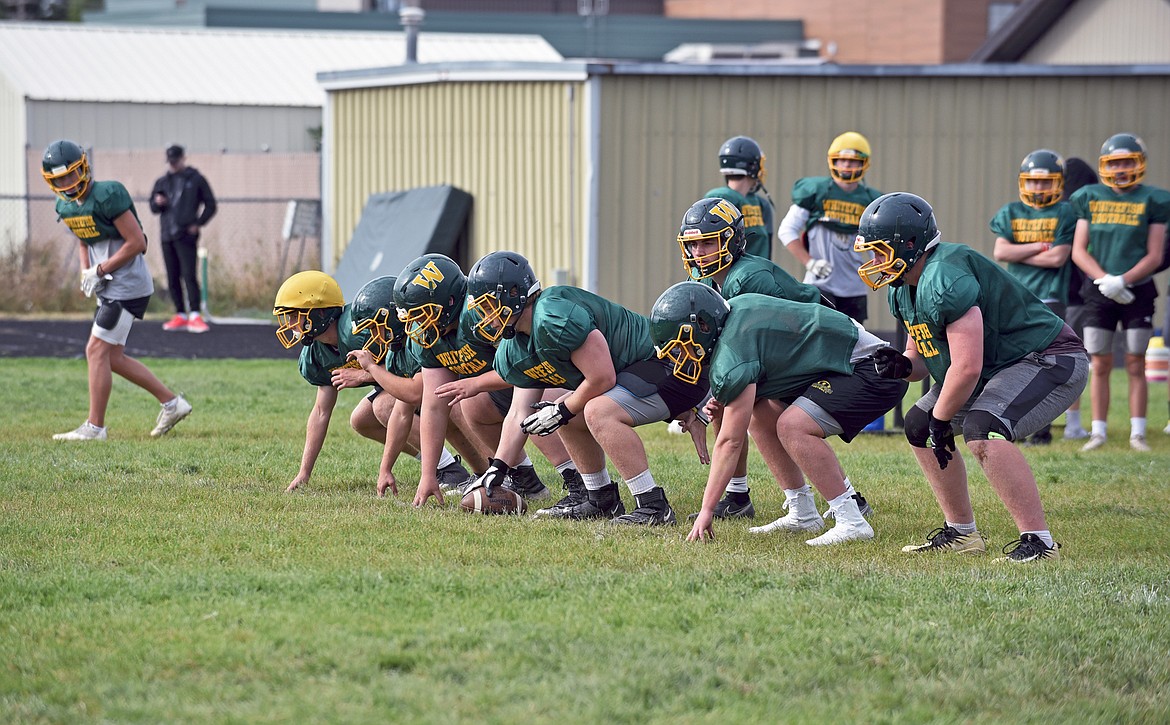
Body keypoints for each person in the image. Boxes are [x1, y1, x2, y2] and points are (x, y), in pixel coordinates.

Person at [855, 192, 1089, 562]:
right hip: (999, 366)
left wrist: (943, 418)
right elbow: (923, 357)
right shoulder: (903, 288)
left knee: (984, 427)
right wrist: (901, 365)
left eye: (880, 250)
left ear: (910, 245)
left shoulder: (945, 276)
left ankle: (1040, 542)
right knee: (917, 424)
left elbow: (966, 367)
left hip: (1047, 358)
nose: (874, 261)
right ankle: (962, 533)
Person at [459, 251, 710, 525]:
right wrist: (498, 467)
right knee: (564, 408)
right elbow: (518, 412)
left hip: (671, 366)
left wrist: (562, 409)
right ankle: (600, 498)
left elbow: (602, 378)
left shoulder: (553, 315)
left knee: (592, 410)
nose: (486, 318)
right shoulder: (516, 344)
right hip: (637, 374)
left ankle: (653, 505)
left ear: (513, 295)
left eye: (487, 307)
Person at [649, 282, 906, 545]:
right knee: (760, 415)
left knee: (793, 426)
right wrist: (728, 394)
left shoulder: (733, 350)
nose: (683, 357)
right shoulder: (736, 311)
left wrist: (706, 510)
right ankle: (803, 512)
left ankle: (851, 519)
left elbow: (729, 442)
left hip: (875, 370)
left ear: (704, 327)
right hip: (845, 363)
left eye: (683, 347)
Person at [676, 196, 873, 526]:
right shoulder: (707, 280)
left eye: (707, 243)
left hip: (813, 348)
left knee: (780, 420)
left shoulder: (748, 279)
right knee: (740, 409)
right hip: (781, 350)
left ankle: (848, 498)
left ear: (732, 240)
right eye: (693, 244)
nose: (698, 253)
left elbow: (776, 333)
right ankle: (748, 498)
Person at [394, 253, 576, 508]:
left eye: (424, 314)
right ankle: (523, 478)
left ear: (450, 301)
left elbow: (528, 366)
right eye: (413, 317)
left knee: (533, 406)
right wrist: (427, 475)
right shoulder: (428, 338)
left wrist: (476, 383)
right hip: (509, 384)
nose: (418, 324)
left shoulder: (480, 315)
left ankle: (577, 479)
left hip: (547, 378)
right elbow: (434, 405)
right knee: (472, 404)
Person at [42, 139, 192, 441]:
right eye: (60, 179)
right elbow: (83, 238)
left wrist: (101, 269)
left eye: (71, 175)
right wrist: (87, 270)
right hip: (110, 286)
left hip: (127, 286)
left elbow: (138, 243)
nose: (68, 184)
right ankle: (172, 403)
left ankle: (95, 427)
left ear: (83, 168)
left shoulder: (108, 194)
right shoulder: (66, 206)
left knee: (95, 350)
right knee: (112, 357)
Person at [272, 270, 475, 494]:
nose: (289, 324)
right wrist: (304, 472)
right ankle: (446, 467)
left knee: (386, 406)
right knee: (361, 420)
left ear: (319, 314)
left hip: (433, 374)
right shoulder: (315, 355)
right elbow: (321, 411)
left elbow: (409, 364)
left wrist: (367, 374)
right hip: (405, 377)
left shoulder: (359, 331)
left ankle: (484, 469)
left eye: (293, 316)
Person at [1069, 133, 1170, 452]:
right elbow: (1078, 250)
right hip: (1099, 292)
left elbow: (1155, 254)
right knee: (1098, 362)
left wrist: (1123, 280)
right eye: (1115, 162)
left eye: (1127, 161)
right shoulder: (1090, 196)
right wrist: (1105, 280)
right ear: (1105, 166)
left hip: (1137, 291)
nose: (1122, 168)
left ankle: (1137, 432)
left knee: (1136, 361)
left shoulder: (1153, 200)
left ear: (1139, 163)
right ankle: (1098, 431)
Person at [990, 149, 1078, 445]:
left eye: (1045, 182)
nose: (1038, 188)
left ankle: (1042, 428)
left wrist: (1023, 249)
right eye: (1033, 182)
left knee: (1047, 364)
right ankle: (1010, 420)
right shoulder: (1012, 211)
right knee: (1013, 361)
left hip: (1050, 297)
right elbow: (1001, 252)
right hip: (1016, 296)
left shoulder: (1065, 212)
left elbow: (1058, 258)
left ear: (1058, 183)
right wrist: (1040, 246)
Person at [778, 131, 883, 325]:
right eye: (841, 160)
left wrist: (880, 265)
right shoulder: (816, 191)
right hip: (820, 283)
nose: (846, 166)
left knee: (855, 344)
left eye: (852, 161)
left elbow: (878, 244)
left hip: (855, 287)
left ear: (863, 163)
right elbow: (786, 230)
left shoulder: (871, 200)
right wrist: (810, 262)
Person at [149, 144, 217, 334]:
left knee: (189, 274)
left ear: (183, 159)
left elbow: (211, 205)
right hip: (166, 235)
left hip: (186, 235)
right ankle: (180, 313)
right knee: (172, 277)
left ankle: (195, 313)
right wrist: (157, 202)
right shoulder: (162, 182)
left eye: (176, 161)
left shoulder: (196, 179)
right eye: (170, 161)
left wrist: (198, 223)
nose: (173, 164)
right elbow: (153, 208)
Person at [1056, 157, 1101, 440]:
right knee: (1077, 359)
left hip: (1057, 293)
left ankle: (1069, 422)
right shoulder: (1083, 212)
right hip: (1077, 294)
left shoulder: (1058, 212)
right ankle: (1073, 423)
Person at [704, 136, 775, 260]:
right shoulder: (720, 198)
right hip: (731, 275)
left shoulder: (760, 203)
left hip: (758, 272)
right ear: (753, 166)